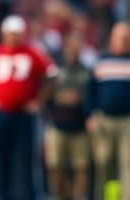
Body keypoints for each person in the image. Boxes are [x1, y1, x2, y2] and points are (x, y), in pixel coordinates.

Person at [0, 15, 56, 200]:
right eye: (11, 34)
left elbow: (51, 76)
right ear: (4, 34)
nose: (13, 38)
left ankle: (32, 195)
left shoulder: (33, 52)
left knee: (30, 158)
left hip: (24, 115)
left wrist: (39, 101)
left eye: (17, 34)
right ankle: (4, 194)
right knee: (2, 157)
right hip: (2, 113)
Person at [86, 22, 130, 200]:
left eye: (127, 38)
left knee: (127, 163)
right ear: (112, 39)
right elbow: (90, 91)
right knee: (104, 162)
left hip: (128, 121)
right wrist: (91, 114)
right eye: (120, 37)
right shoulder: (101, 61)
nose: (123, 41)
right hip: (104, 120)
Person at [44, 33, 91, 200]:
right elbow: (46, 95)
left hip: (80, 125)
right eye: (71, 48)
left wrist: (80, 99)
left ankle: (79, 197)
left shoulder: (87, 71)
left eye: (77, 48)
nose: (73, 51)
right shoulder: (56, 70)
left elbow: (92, 96)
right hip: (58, 123)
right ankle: (59, 196)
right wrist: (62, 98)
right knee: (56, 166)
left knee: (81, 166)